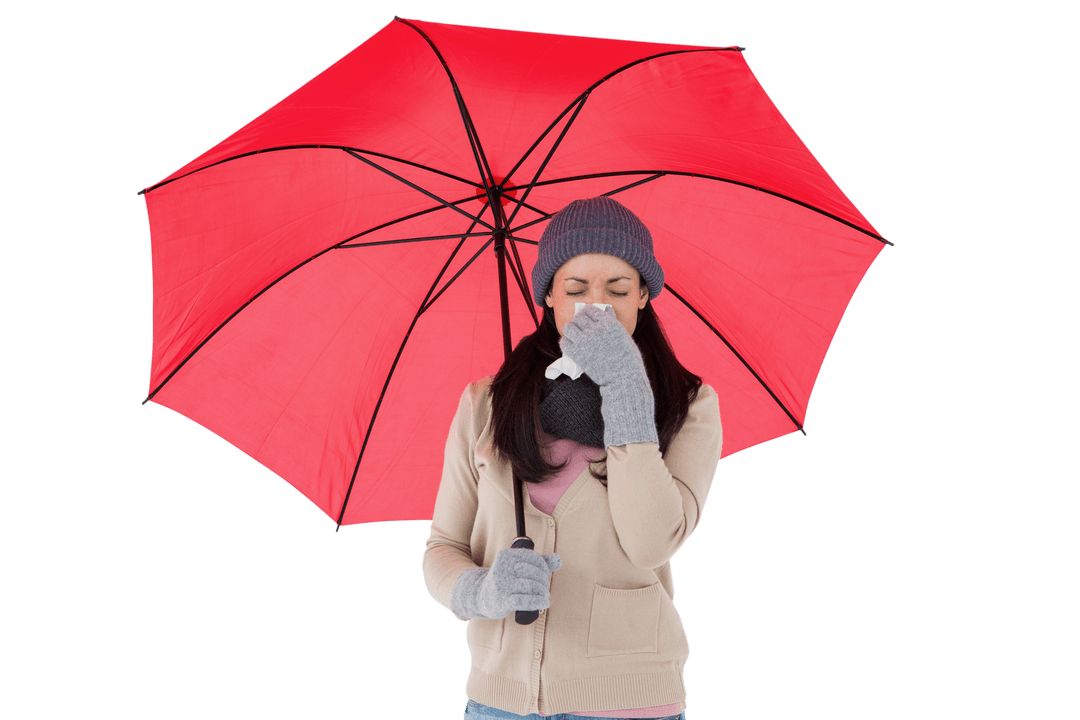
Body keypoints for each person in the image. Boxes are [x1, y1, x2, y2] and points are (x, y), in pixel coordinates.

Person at [422, 197, 722, 720]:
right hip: (499, 704)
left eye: (618, 289)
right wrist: (482, 591)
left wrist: (626, 388)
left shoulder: (688, 404)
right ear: (549, 297)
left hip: (629, 703)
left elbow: (652, 542)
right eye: (576, 290)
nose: (595, 307)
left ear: (645, 294)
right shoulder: (487, 403)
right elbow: (442, 549)